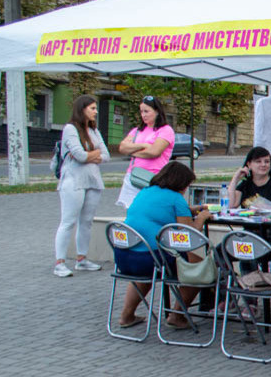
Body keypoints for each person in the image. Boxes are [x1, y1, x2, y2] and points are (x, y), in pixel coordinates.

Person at [113, 162, 210, 328]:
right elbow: (187, 236)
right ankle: (177, 316)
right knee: (200, 267)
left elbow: (159, 211)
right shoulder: (176, 198)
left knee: (147, 273)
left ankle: (126, 316)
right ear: (181, 183)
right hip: (151, 260)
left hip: (124, 258)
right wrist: (202, 217)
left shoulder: (145, 192)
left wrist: (189, 210)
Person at [53, 94, 109, 277]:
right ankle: (59, 262)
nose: (95, 111)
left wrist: (90, 154)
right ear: (82, 109)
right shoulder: (70, 129)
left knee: (86, 222)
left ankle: (82, 259)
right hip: (73, 181)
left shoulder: (94, 130)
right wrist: (93, 154)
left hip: (92, 180)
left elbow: (106, 155)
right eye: (92, 108)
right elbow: (80, 155)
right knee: (68, 221)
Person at [116, 96, 174, 208]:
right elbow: (122, 148)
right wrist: (143, 145)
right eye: (141, 111)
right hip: (133, 176)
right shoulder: (137, 130)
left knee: (150, 209)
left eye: (147, 111)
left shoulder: (165, 130)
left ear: (157, 111)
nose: (143, 115)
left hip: (154, 177)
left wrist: (132, 151)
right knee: (132, 210)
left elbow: (154, 152)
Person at [229, 146, 271, 210]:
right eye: (258, 161)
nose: (263, 165)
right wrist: (235, 179)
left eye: (267, 161)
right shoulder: (244, 185)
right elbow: (231, 205)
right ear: (249, 164)